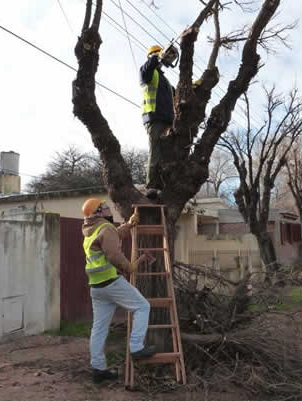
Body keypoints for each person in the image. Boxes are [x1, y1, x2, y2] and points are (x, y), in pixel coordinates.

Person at [81, 198, 157, 384]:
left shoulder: (90, 230)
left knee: (99, 328)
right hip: (111, 283)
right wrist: (129, 266)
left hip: (97, 287)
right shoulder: (105, 229)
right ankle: (136, 347)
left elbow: (113, 235)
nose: (109, 208)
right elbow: (113, 252)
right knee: (142, 306)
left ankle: (98, 369)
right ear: (99, 212)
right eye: (105, 207)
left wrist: (129, 224)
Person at [139, 44, 178, 199]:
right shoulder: (147, 72)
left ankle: (164, 185)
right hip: (154, 118)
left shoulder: (165, 81)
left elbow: (179, 93)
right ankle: (151, 186)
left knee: (167, 154)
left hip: (168, 120)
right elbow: (148, 69)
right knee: (155, 153)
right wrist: (156, 57)